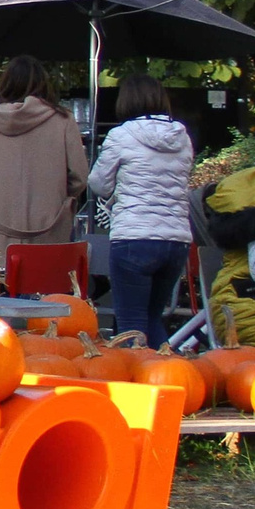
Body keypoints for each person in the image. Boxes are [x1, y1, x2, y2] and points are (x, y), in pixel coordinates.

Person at [90, 73, 193, 346]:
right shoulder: (182, 136)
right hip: (176, 240)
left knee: (131, 325)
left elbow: (99, 184)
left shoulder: (120, 136)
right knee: (152, 318)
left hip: (134, 238)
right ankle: (169, 379)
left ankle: (135, 385)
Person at [0, 56, 88, 262]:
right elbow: (79, 177)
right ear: (43, 84)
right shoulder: (63, 119)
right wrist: (58, 199)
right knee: (48, 290)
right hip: (51, 233)